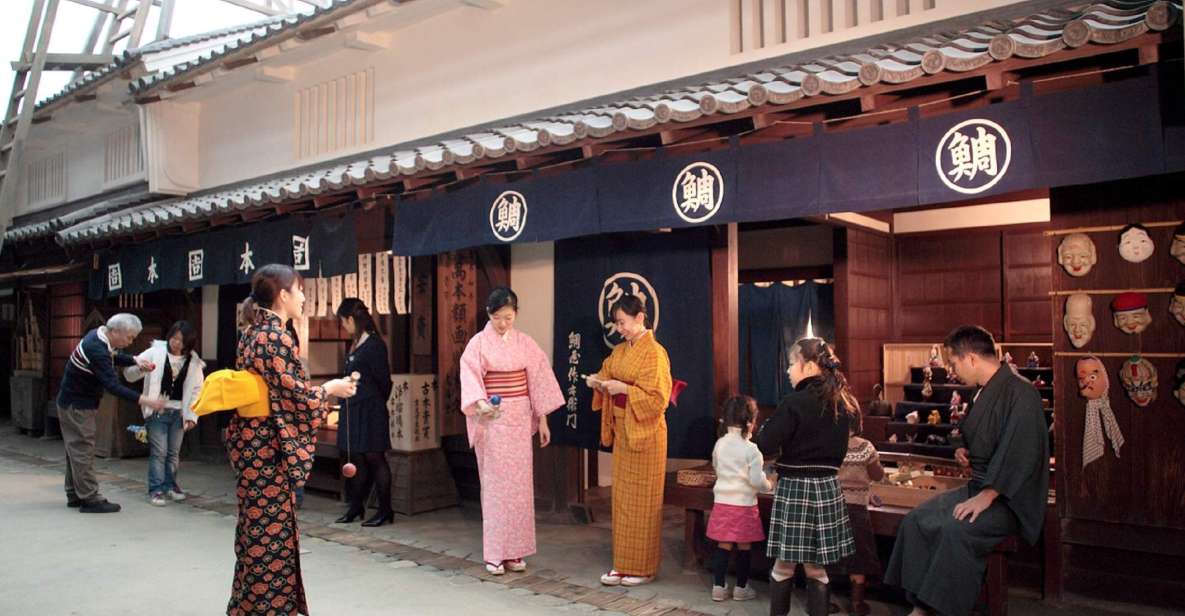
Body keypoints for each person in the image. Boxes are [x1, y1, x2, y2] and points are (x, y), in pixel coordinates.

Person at [884, 325, 1049, 616]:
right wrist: (964, 449)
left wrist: (987, 496)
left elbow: (1022, 452)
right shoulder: (982, 391)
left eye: (954, 363)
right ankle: (920, 605)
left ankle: (940, 609)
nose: (952, 369)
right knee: (917, 520)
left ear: (971, 358)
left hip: (1009, 498)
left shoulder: (1021, 393)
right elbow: (978, 434)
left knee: (954, 530)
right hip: (981, 485)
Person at [227, 264, 357, 616]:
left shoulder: (252, 334)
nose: (303, 297)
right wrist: (329, 390)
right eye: (299, 290)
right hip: (267, 448)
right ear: (283, 295)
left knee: (256, 532)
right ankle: (271, 609)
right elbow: (294, 398)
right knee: (272, 536)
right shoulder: (275, 337)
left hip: (252, 444)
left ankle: (249, 606)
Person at [459, 287, 564, 575]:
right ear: (488, 315)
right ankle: (494, 553)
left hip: (519, 422)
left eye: (508, 317)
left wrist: (542, 419)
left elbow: (539, 380)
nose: (503, 323)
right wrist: (481, 405)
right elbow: (470, 379)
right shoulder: (478, 344)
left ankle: (515, 552)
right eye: (497, 318)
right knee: (495, 489)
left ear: (516, 313)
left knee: (519, 489)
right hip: (493, 422)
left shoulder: (525, 343)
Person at [756, 338, 858, 616]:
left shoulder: (794, 402)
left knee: (783, 566)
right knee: (816, 568)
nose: (788, 370)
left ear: (809, 365)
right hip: (827, 489)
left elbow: (765, 443)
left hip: (794, 490)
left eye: (791, 364)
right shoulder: (844, 402)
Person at [586, 295, 673, 587]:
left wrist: (623, 387)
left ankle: (643, 568)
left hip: (647, 434)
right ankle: (623, 564)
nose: (619, 329)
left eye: (622, 322)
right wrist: (596, 380)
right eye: (617, 323)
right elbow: (607, 370)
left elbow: (658, 399)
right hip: (625, 430)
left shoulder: (655, 352)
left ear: (640, 318)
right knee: (623, 500)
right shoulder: (622, 351)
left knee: (644, 504)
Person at [56, 313, 164, 513]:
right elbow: (112, 386)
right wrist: (147, 400)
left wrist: (133, 360)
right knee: (83, 449)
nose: (130, 341)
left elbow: (111, 356)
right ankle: (89, 498)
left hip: (73, 402)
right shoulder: (96, 348)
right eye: (130, 337)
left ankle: (75, 493)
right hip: (77, 405)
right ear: (115, 331)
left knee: (76, 450)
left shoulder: (97, 336)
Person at [125, 320, 205, 506]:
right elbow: (129, 373)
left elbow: (197, 391)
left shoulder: (193, 362)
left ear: (188, 343)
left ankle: (171, 485)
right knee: (159, 452)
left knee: (173, 453)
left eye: (181, 340)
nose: (175, 343)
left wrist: (193, 416)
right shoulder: (155, 352)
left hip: (179, 412)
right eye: (174, 338)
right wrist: (140, 368)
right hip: (157, 410)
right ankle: (156, 489)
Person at [333, 298, 394, 527]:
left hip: (371, 409)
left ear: (350, 319)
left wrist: (373, 401)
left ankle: (386, 510)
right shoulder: (356, 343)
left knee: (375, 458)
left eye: (343, 322)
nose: (344, 327)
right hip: (354, 408)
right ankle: (356, 507)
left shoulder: (375, 344)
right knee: (355, 457)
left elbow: (384, 382)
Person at [707, 395, 772, 602]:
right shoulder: (751, 450)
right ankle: (741, 589)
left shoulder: (720, 444)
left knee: (723, 545)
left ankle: (718, 587)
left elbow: (717, 468)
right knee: (744, 547)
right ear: (750, 423)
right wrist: (769, 483)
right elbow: (756, 480)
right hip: (744, 505)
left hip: (723, 503)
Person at [828, 412, 885, 616]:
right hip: (857, 509)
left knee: (829, 553)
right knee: (859, 554)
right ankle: (857, 602)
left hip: (832, 506)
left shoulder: (830, 443)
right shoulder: (865, 447)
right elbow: (877, 474)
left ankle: (823, 600)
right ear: (858, 423)